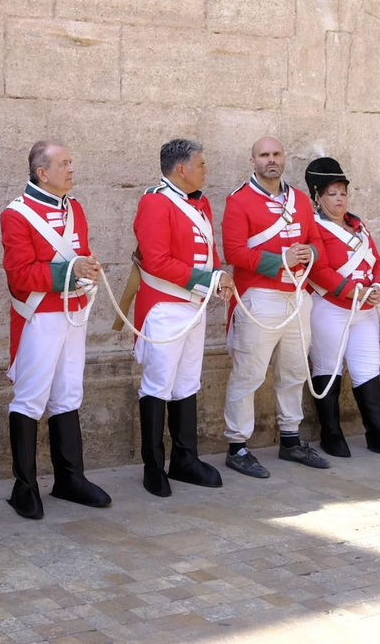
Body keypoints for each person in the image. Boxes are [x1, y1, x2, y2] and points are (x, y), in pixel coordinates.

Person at [0, 140, 111, 519]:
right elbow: (19, 276)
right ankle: (25, 486)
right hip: (40, 316)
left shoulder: (74, 208)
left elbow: (80, 253)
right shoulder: (17, 214)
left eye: (71, 161)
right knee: (30, 398)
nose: (71, 169)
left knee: (68, 392)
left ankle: (70, 478)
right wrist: (70, 272)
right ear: (41, 173)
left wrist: (88, 272)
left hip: (73, 312)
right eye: (63, 164)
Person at [220, 136, 331, 478]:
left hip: (297, 296)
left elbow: (316, 240)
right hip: (259, 296)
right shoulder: (238, 201)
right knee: (249, 373)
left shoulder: (298, 198)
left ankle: (290, 439)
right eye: (264, 155)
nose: (272, 160)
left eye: (277, 154)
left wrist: (310, 254)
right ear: (252, 161)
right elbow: (234, 252)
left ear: (284, 158)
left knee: (295, 371)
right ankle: (237, 446)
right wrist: (281, 260)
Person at [129, 139, 232, 497]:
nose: (206, 170)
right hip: (165, 307)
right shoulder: (155, 201)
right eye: (201, 165)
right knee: (158, 384)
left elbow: (209, 251)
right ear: (182, 169)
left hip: (194, 304)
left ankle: (185, 459)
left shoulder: (200, 202)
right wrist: (209, 279)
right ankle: (153, 466)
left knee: (187, 381)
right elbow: (156, 260)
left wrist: (217, 275)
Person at [302, 157, 380, 458]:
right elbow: (318, 269)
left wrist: (378, 287)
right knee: (328, 369)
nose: (339, 199)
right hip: (330, 306)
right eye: (332, 194)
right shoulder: (313, 227)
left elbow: (376, 261)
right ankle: (331, 433)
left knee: (368, 370)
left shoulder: (358, 225)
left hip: (364, 309)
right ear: (318, 197)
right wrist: (352, 291)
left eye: (343, 193)